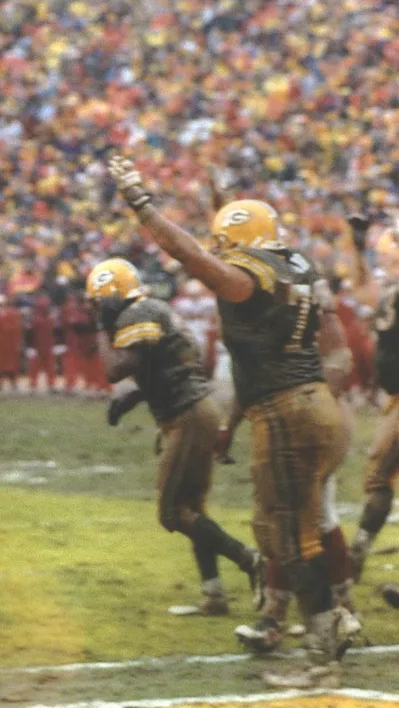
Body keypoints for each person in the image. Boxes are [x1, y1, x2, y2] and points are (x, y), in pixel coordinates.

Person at [108, 156, 354, 688]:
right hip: (314, 405)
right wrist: (222, 204)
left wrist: (143, 207)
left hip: (285, 409)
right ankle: (328, 621)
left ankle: (322, 658)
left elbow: (193, 255)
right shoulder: (298, 266)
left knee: (294, 536)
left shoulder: (250, 278)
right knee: (281, 525)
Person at [85, 258, 261, 616]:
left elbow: (115, 369)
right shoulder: (150, 308)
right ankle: (214, 593)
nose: (95, 309)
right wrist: (134, 398)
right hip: (193, 408)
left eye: (96, 302)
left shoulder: (138, 313)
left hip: (189, 414)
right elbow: (161, 365)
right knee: (193, 509)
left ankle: (250, 560)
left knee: (172, 513)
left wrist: (103, 328)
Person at [350, 227, 399, 592]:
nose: (382, 255)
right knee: (379, 477)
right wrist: (355, 243)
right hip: (394, 397)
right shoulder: (390, 290)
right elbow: (364, 290)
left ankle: (356, 554)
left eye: (387, 250)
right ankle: (357, 553)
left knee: (379, 476)